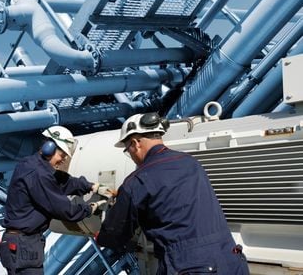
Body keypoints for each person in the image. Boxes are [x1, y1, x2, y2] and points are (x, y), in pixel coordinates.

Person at [96, 113, 249, 275]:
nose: (131, 156)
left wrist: (101, 236)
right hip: (231, 260)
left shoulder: (137, 181)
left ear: (135, 143)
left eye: (128, 150)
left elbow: (116, 234)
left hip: (190, 267)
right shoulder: (192, 163)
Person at [0, 125, 107, 274]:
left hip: (22, 244)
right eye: (62, 156)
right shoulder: (38, 174)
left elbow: (64, 182)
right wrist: (90, 208)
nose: (62, 161)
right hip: (23, 245)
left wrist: (91, 186)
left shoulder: (33, 166)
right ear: (49, 148)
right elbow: (65, 211)